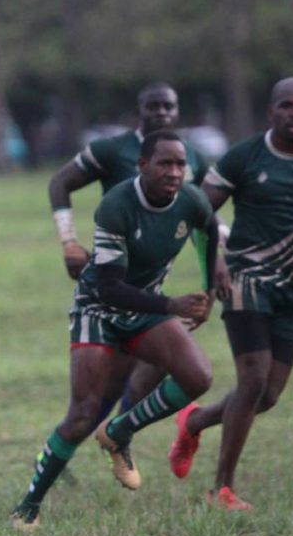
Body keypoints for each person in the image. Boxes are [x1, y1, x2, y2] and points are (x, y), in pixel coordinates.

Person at [10, 130, 220, 529]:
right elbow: (109, 287)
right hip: (99, 308)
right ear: (142, 166)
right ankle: (29, 507)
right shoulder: (116, 205)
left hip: (147, 305)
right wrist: (172, 305)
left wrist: (209, 292)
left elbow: (208, 233)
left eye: (180, 164)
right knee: (82, 413)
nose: (175, 172)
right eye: (165, 163)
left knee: (199, 376)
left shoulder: (191, 199)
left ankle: (119, 431)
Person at [167, 77, 293, 510]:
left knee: (267, 395)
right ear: (271, 111)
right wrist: (219, 261)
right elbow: (198, 208)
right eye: (287, 106)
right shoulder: (245, 156)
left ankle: (197, 419)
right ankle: (221, 489)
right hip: (244, 280)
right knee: (252, 380)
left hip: (291, 288)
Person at [47, 83, 218, 448]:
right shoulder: (112, 150)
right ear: (139, 110)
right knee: (104, 389)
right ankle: (77, 446)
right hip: (114, 281)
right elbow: (60, 182)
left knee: (156, 371)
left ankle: (116, 437)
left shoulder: (192, 158)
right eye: (153, 106)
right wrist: (69, 240)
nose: (161, 113)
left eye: (169, 106)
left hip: (154, 289)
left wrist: (216, 268)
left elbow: (202, 216)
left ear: (178, 111)